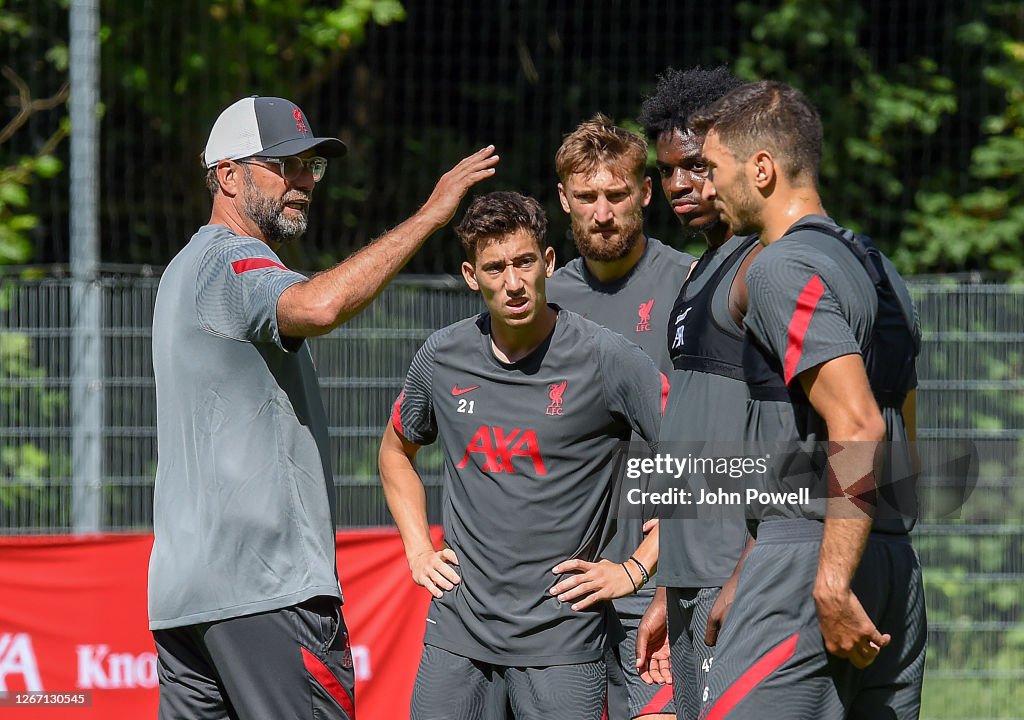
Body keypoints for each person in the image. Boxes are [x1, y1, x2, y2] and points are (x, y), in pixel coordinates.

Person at [148, 95, 498, 720]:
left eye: (312, 165)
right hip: (266, 588)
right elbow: (316, 308)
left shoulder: (180, 270)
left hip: (184, 601)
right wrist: (428, 218)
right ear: (227, 175)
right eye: (285, 166)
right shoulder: (230, 259)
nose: (304, 181)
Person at [379, 191, 664, 720]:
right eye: (495, 267)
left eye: (524, 262)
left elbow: (701, 460)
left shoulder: (608, 358)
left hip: (562, 641)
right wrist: (417, 549)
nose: (513, 282)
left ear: (548, 263)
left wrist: (635, 568)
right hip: (457, 632)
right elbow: (396, 452)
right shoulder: (442, 356)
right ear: (471, 275)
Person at [689, 81, 924, 719]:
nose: (706, 188)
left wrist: (825, 578)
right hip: (892, 557)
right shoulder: (880, 268)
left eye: (713, 169)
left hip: (816, 565)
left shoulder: (778, 269)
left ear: (761, 170)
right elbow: (903, 441)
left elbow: (858, 424)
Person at [543, 113, 694, 720]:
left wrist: (653, 560)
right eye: (586, 197)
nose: (602, 212)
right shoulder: (541, 299)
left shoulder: (693, 285)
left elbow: (716, 438)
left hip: (660, 569)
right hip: (561, 576)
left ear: (646, 193)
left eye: (616, 195)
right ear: (564, 199)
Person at [628, 66, 760, 720]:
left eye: (697, 166)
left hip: (739, 575)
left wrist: (753, 567)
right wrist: (669, 583)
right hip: (692, 574)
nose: (679, 183)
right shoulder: (703, 267)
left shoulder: (767, 264)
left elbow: (823, 431)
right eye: (667, 170)